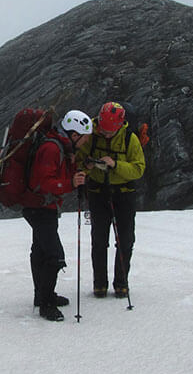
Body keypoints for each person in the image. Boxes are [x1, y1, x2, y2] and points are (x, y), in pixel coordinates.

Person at [23, 109, 90, 321]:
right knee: (54, 254)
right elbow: (44, 182)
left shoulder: (59, 145)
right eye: (84, 137)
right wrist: (71, 183)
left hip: (41, 206)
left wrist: (74, 173)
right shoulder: (52, 148)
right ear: (74, 133)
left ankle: (42, 295)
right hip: (40, 206)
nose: (84, 142)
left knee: (41, 250)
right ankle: (46, 304)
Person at [75, 102, 146, 299]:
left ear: (119, 126)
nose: (105, 134)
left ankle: (121, 283)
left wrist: (115, 165)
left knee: (125, 240)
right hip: (98, 192)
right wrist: (88, 165)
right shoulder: (91, 134)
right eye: (103, 130)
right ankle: (100, 284)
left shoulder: (130, 139)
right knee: (99, 240)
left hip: (123, 193)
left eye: (110, 131)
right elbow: (79, 159)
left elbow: (139, 169)